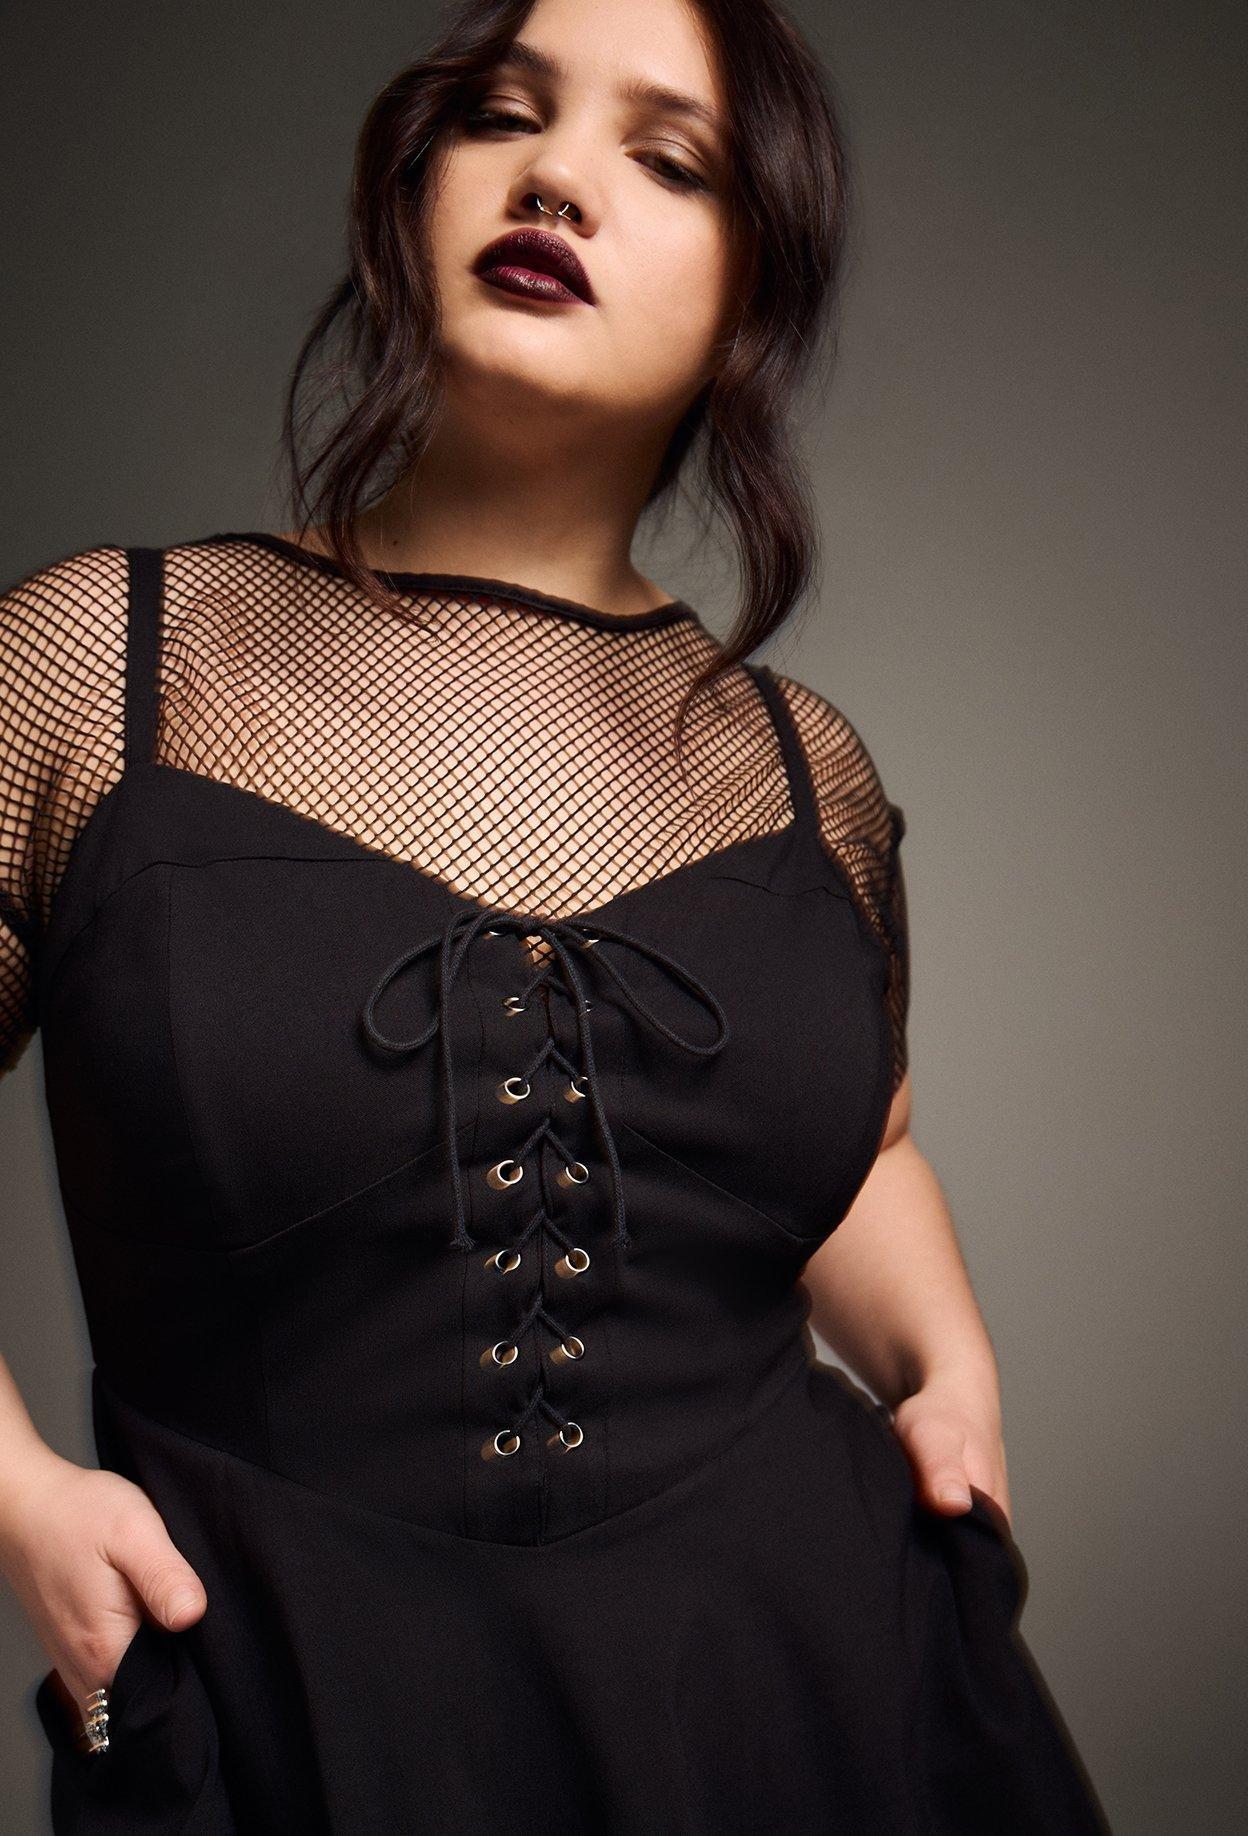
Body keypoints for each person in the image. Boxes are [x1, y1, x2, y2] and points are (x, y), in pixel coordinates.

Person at [0, 0, 1109, 1828]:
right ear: (413, 186)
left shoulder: (799, 769)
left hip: (812, 1700)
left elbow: (859, 1147)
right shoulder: (106, 666)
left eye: (665, 158)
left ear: (753, 297)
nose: (558, 179)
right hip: (298, 1714)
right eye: (505, 115)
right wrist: (21, 1504)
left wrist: (951, 1368)